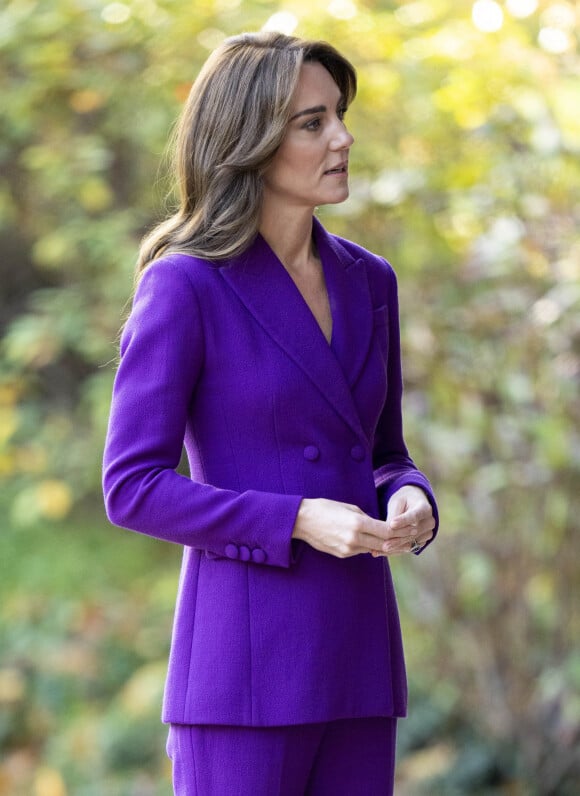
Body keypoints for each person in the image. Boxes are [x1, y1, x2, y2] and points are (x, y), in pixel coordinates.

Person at [102, 30, 438, 796]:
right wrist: (294, 518)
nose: (343, 138)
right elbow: (132, 487)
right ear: (249, 142)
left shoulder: (370, 281)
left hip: (358, 666)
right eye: (311, 123)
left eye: (340, 115)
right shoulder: (186, 285)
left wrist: (411, 494)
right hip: (244, 678)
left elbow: (384, 450)